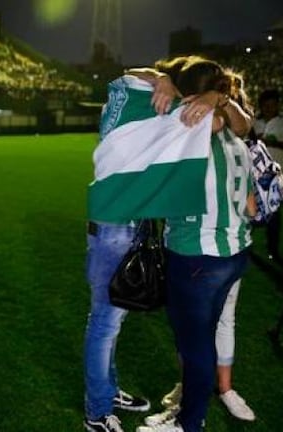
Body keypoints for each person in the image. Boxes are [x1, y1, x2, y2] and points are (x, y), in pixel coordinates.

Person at [136, 58, 256, 432]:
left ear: (187, 91)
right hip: (234, 251)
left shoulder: (192, 123)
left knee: (195, 347)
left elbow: (128, 77)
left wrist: (160, 80)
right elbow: (251, 203)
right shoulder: (235, 128)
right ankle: (187, 409)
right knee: (202, 338)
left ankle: (188, 423)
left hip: (197, 253)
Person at [84, 63, 200, 432]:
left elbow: (133, 70)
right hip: (115, 225)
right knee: (105, 322)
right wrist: (170, 82)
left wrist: (162, 79)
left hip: (113, 222)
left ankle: (108, 388)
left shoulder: (124, 94)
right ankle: (97, 412)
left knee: (110, 321)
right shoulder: (145, 99)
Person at [252, 89, 283, 260]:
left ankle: (273, 249)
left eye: (273, 105)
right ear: (261, 106)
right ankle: (244, 246)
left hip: (275, 173)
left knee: (274, 212)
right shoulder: (252, 119)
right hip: (252, 171)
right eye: (266, 106)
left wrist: (278, 143)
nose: (269, 109)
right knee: (248, 209)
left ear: (278, 105)